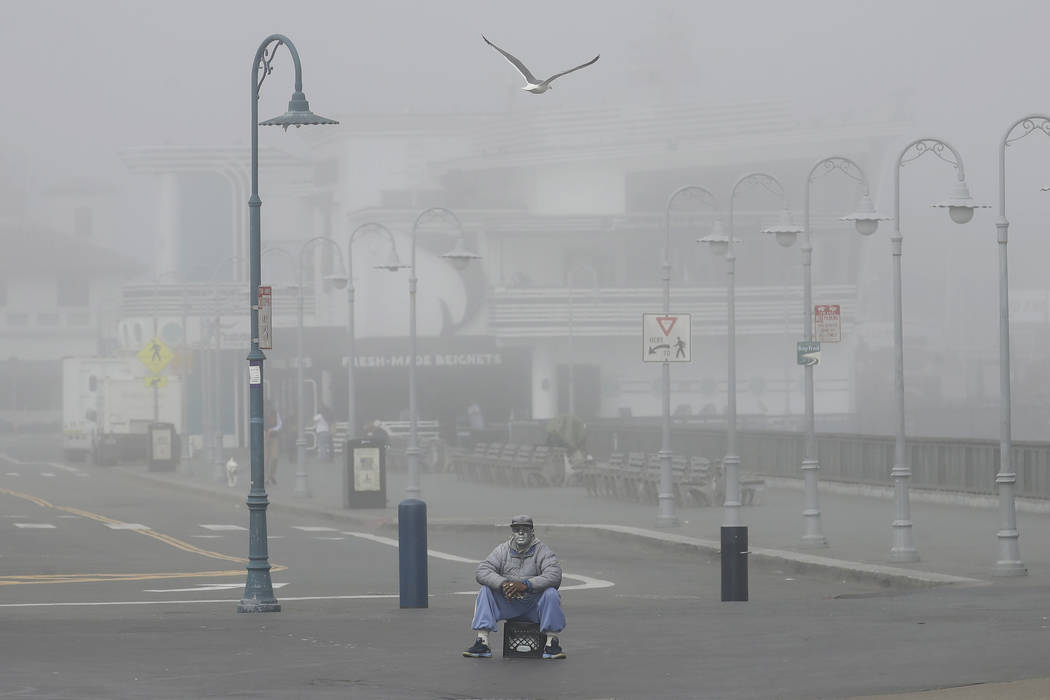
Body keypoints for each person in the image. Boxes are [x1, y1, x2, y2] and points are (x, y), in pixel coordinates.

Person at [463, 515, 566, 660]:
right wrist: (503, 584)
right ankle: (482, 641)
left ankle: (551, 642)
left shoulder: (543, 550)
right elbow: (482, 571)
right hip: (509, 602)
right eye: (517, 530)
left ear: (532, 532)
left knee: (551, 594)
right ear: (512, 532)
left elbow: (554, 575)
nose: (521, 533)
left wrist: (526, 585)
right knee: (486, 591)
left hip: (533, 605)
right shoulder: (502, 550)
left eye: (525, 529)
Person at [264, 401, 281, 485]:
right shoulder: (261, 413)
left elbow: (280, 424)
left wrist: (272, 430)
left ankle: (271, 474)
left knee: (275, 457)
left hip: (274, 437)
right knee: (266, 458)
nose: (268, 408)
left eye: (269, 406)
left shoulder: (275, 413)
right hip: (264, 436)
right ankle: (266, 478)